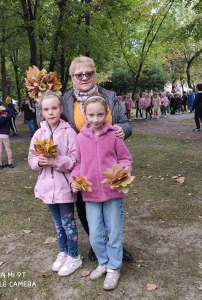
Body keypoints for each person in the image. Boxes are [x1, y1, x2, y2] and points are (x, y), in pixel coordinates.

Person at [38, 56, 133, 263]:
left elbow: (126, 124)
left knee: (111, 206)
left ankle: (114, 246)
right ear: (72, 77)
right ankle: (96, 243)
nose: (84, 77)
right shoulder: (63, 101)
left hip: (109, 162)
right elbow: (47, 119)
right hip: (82, 162)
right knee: (85, 205)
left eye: (88, 73)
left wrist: (121, 129)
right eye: (79, 74)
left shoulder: (108, 96)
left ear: (94, 74)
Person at [70, 95, 133, 290]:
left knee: (114, 231)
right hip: (90, 193)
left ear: (107, 113)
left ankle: (114, 267)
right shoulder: (80, 137)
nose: (96, 119)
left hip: (113, 191)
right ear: (85, 115)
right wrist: (75, 179)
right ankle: (103, 261)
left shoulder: (114, 134)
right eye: (91, 115)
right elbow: (78, 163)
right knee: (95, 232)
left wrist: (124, 172)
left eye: (99, 114)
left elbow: (125, 158)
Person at [28, 93, 82, 276]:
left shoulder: (69, 132)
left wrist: (55, 161)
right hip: (46, 188)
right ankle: (64, 251)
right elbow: (31, 158)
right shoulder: (38, 133)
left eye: (54, 108)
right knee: (58, 224)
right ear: (41, 112)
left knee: (68, 223)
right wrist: (39, 162)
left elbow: (75, 160)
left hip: (64, 188)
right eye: (46, 109)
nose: (50, 112)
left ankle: (74, 256)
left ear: (61, 109)